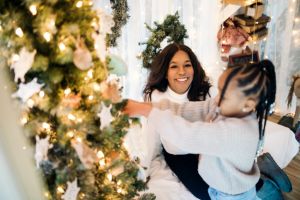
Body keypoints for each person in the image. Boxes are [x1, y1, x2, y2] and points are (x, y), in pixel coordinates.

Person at [125, 60, 277, 199]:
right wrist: (149, 106)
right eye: (219, 90)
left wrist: (148, 112)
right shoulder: (224, 106)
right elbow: (188, 110)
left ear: (248, 105)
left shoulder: (237, 132)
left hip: (232, 196)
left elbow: (187, 135)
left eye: (224, 95)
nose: (217, 99)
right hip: (218, 187)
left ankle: (269, 185)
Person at [140, 43, 211, 199]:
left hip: (207, 153)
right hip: (181, 158)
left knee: (239, 188)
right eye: (174, 67)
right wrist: (144, 171)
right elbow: (151, 139)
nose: (182, 72)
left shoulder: (205, 92)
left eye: (187, 65)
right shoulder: (156, 96)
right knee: (210, 194)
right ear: (165, 72)